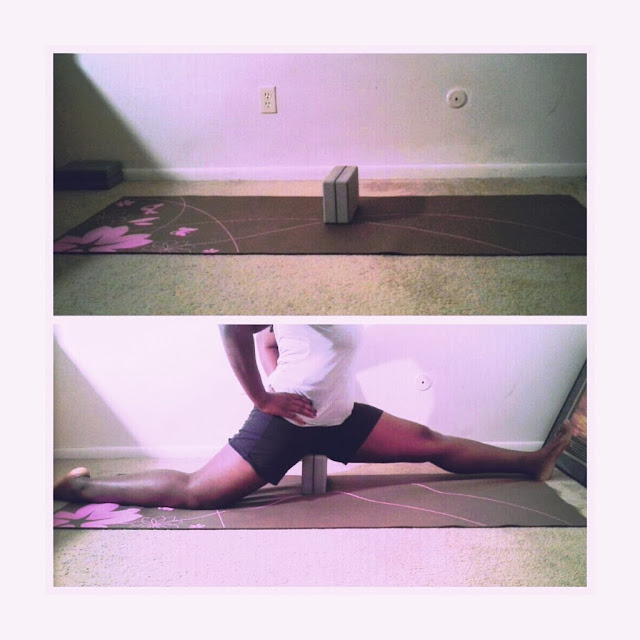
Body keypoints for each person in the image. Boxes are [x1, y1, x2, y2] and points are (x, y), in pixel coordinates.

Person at [54, 324, 574, 509]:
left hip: (340, 417)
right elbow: (233, 328)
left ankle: (530, 463)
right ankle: (79, 488)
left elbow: (268, 339)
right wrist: (266, 399)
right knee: (198, 493)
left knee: (429, 441)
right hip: (289, 422)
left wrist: (281, 381)